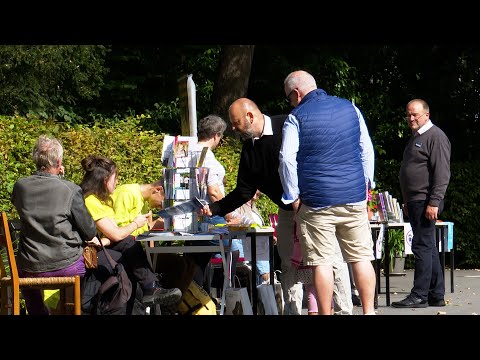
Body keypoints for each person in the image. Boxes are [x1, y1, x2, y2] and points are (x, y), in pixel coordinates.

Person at [200, 98, 352, 315]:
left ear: (250, 116)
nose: (233, 129)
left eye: (236, 123)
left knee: (331, 260)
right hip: (287, 210)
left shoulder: (288, 125)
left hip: (314, 205)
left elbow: (317, 157)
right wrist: (215, 209)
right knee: (289, 262)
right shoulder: (250, 149)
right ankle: (291, 310)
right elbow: (244, 191)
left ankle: (344, 310)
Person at [279, 70, 377, 315]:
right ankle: (369, 312)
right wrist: (367, 187)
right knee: (361, 257)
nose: (290, 103)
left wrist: (293, 196)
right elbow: (367, 150)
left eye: (289, 98)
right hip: (354, 197)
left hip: (316, 202)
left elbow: (286, 159)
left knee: (321, 262)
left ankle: (325, 313)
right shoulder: (351, 109)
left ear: (296, 93)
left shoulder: (296, 117)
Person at [10, 135, 101, 315]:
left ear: (36, 159)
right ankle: (75, 309)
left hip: (30, 265)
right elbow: (89, 231)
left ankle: (38, 312)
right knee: (94, 268)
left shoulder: (20, 186)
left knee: (25, 268)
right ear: (59, 162)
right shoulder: (70, 189)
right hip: (66, 265)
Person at [79, 155, 182, 307]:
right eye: (115, 178)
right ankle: (151, 289)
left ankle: (152, 291)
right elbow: (117, 234)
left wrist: (104, 241)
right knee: (129, 245)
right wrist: (136, 224)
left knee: (131, 249)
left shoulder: (102, 201)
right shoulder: (92, 201)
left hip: (103, 249)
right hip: (89, 256)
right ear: (105, 179)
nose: (117, 182)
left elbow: (112, 236)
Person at [392, 98, 451, 308]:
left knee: (421, 247)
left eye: (415, 114)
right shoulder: (415, 138)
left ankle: (420, 295)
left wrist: (434, 201)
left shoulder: (435, 136)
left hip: (427, 200)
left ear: (426, 114)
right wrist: (407, 200)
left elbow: (442, 173)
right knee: (428, 247)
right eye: (408, 114)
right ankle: (436, 295)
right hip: (416, 201)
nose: (410, 118)